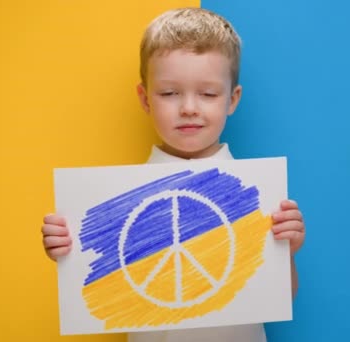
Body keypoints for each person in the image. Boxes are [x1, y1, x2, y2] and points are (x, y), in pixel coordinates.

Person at [41, 7, 306, 342]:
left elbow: (284, 297)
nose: (189, 108)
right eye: (169, 93)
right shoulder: (114, 205)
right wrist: (69, 251)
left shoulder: (259, 196)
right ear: (145, 98)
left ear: (232, 99)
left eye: (208, 93)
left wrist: (288, 251)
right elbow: (97, 283)